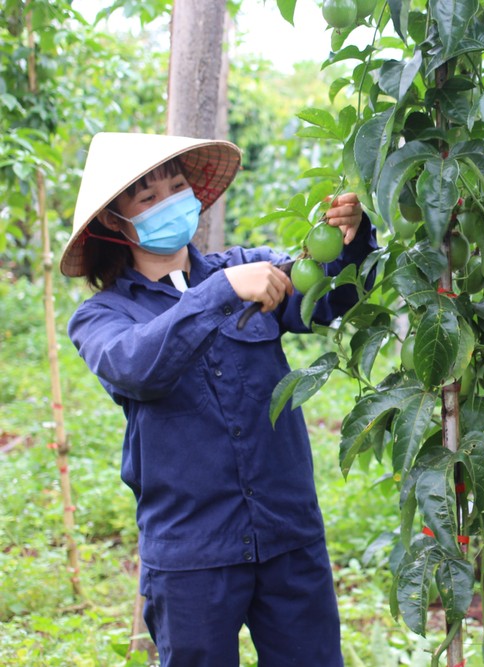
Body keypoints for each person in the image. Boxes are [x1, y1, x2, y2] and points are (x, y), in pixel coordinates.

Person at [60, 132, 378, 667]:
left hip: (287, 534)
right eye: (148, 196)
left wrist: (350, 241)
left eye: (177, 185)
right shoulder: (102, 317)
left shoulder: (249, 265)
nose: (170, 201)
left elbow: (323, 301)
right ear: (118, 222)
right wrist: (222, 291)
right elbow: (137, 367)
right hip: (192, 553)